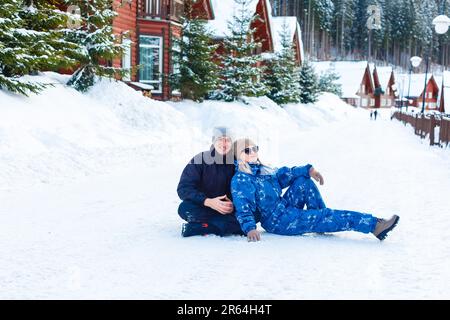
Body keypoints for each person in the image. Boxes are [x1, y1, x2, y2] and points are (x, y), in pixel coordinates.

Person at [231, 138, 400, 242]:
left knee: (303, 181)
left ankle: (320, 219)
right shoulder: (242, 179)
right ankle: (374, 225)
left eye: (255, 148)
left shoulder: (263, 169)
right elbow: (243, 207)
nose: (253, 152)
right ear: (238, 155)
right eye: (247, 150)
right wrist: (250, 228)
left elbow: (285, 174)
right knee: (325, 216)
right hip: (278, 221)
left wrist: (308, 170)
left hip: (283, 208)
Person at [177, 127, 244, 237]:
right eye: (220, 139)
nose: (224, 143)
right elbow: (184, 188)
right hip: (205, 206)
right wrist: (208, 201)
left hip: (230, 208)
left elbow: (246, 188)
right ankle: (229, 225)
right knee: (184, 208)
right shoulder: (200, 159)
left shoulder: (238, 162)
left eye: (227, 140)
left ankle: (203, 227)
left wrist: (234, 204)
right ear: (213, 141)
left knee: (254, 213)